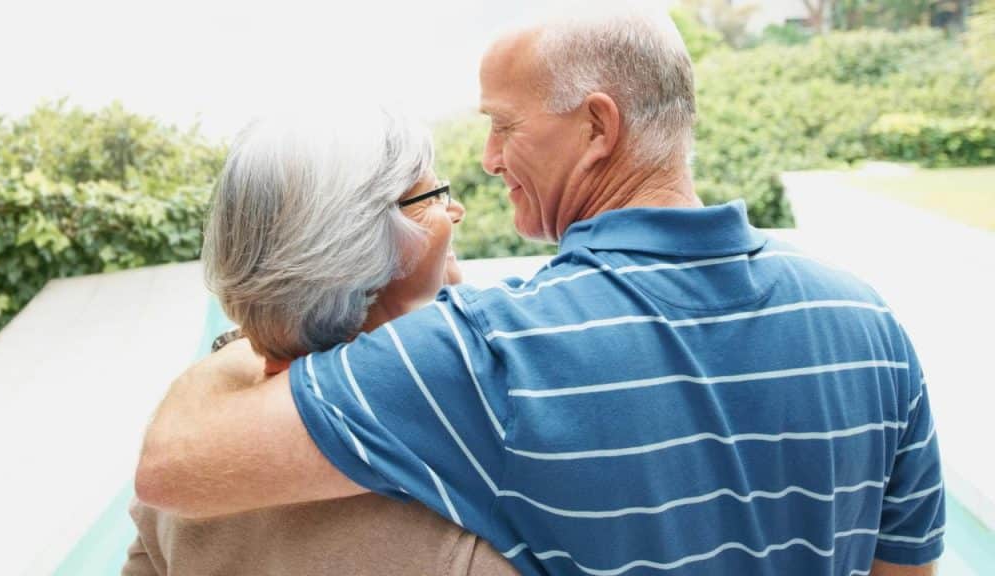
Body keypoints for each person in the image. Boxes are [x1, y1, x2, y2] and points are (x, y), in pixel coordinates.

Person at [135, 6, 944, 576]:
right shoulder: (869, 321)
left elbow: (173, 466)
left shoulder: (483, 357)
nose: (486, 159)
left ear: (598, 128)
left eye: (504, 125)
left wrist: (249, 331)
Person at [123, 110, 517, 576]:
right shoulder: (469, 478)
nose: (456, 211)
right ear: (358, 245)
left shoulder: (196, 462)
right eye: (431, 197)